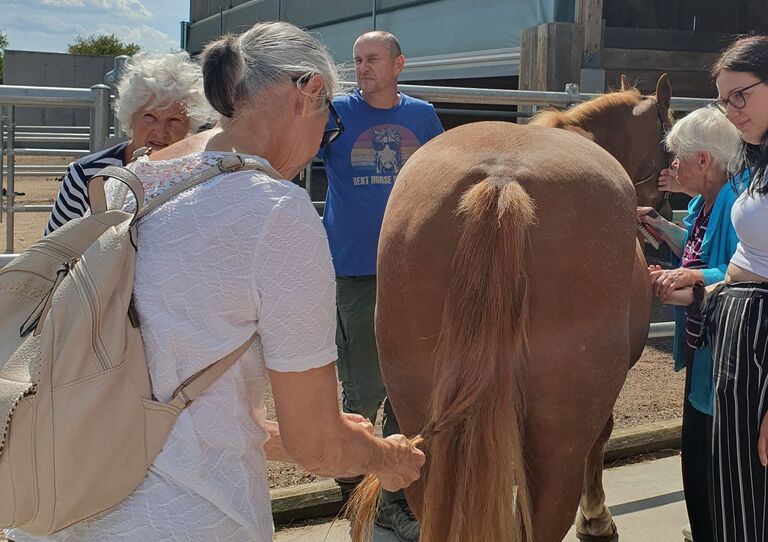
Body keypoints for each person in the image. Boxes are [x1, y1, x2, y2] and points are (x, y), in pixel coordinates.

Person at [8, 21, 424, 542]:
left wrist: (265, 436)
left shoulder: (134, 179)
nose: (321, 144)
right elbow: (318, 443)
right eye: (328, 124)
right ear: (310, 91)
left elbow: (151, 372)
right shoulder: (277, 210)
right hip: (191, 517)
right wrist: (387, 457)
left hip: (65, 503)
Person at [317, 30, 443, 540]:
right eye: (357, 61)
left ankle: (392, 500)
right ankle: (358, 505)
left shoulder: (422, 117)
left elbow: (441, 180)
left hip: (412, 275)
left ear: (398, 64)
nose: (362, 68)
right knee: (362, 392)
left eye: (372, 59)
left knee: (409, 390)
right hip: (356, 274)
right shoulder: (334, 115)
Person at [638, 106, 746, 542]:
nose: (673, 166)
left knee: (711, 474)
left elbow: (741, 272)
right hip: (704, 355)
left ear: (705, 161)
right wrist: (663, 228)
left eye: (678, 156)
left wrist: (692, 280)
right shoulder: (708, 203)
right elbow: (701, 254)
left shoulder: (739, 205)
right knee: (697, 465)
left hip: (725, 359)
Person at [44, 52, 213, 234]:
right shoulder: (86, 175)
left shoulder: (201, 175)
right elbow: (53, 253)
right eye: (149, 116)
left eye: (174, 120)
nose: (161, 131)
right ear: (129, 117)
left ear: (191, 124)